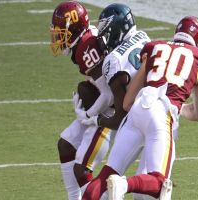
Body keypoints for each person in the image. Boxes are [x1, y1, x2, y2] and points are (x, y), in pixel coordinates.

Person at [85, 15, 198, 200]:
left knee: (105, 176)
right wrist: (180, 107)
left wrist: (177, 108)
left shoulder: (155, 47)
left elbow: (127, 102)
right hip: (161, 114)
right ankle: (124, 184)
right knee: (161, 184)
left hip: (138, 108)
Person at [80, 3, 155, 200]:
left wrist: (96, 119)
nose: (104, 38)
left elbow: (121, 116)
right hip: (159, 118)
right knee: (147, 190)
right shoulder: (146, 38)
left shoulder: (113, 60)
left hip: (136, 121)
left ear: (117, 28)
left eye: (107, 31)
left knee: (105, 184)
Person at [50, 1, 115, 199]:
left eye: (62, 32)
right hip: (101, 108)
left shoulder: (86, 48)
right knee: (66, 144)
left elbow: (109, 94)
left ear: (75, 28)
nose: (58, 38)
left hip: (109, 113)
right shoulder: (85, 41)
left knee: (82, 169)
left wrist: (88, 114)